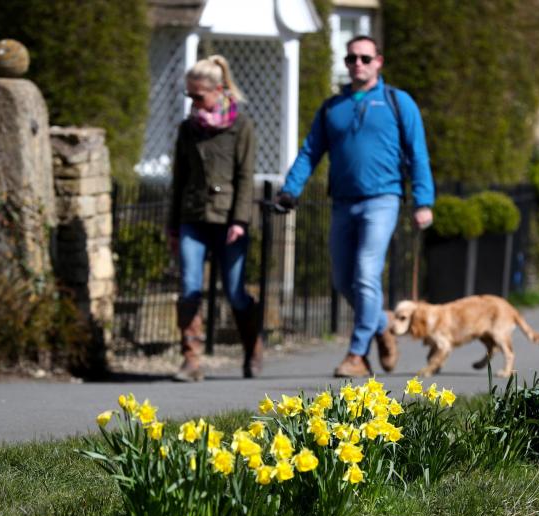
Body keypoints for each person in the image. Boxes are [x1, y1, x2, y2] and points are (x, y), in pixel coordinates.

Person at [278, 35, 434, 378]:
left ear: (378, 61)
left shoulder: (397, 101)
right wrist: (290, 190)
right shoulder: (332, 107)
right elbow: (309, 151)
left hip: (383, 199)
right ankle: (382, 325)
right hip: (343, 203)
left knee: (366, 274)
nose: (357, 64)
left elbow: (417, 153)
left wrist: (423, 200)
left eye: (364, 58)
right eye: (351, 59)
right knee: (343, 280)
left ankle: (356, 354)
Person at [168, 55, 260, 382]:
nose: (193, 102)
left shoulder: (241, 126)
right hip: (192, 217)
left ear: (218, 89)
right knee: (189, 286)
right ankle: (191, 359)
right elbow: (178, 179)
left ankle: (252, 347)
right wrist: (172, 226)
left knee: (235, 291)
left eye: (199, 95)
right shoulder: (187, 129)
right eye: (189, 96)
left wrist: (240, 220)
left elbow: (246, 176)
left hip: (228, 221)